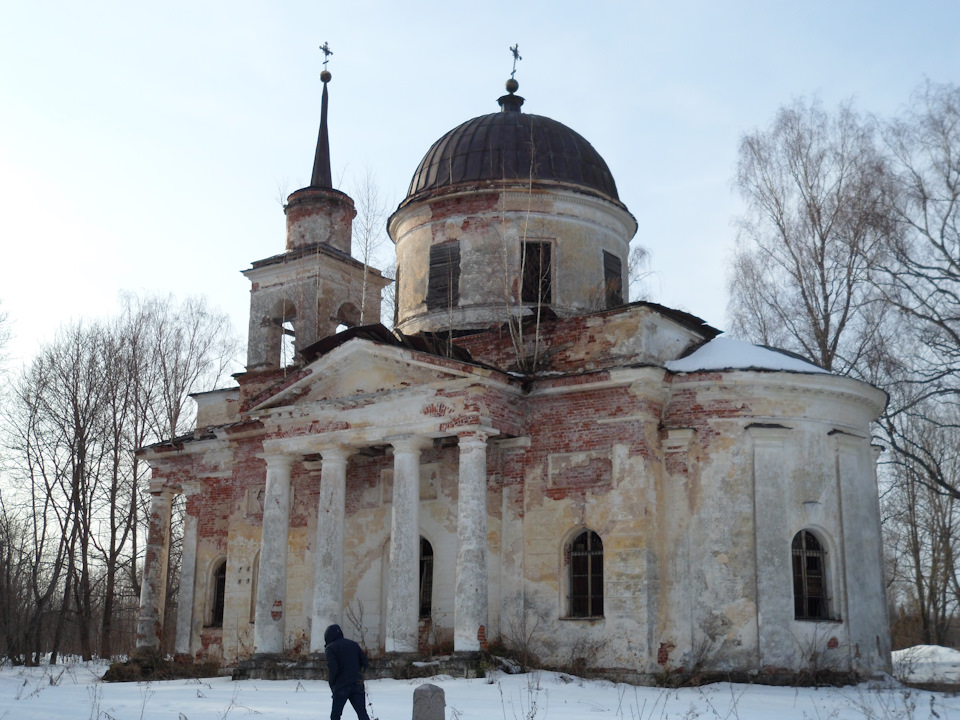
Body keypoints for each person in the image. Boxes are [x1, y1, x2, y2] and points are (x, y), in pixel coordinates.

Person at [324, 624, 371, 720]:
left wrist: (332, 683)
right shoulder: (353, 644)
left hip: (341, 686)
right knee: (362, 714)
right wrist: (359, 674)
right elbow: (365, 663)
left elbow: (333, 668)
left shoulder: (330, 648)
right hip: (357, 684)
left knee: (335, 715)